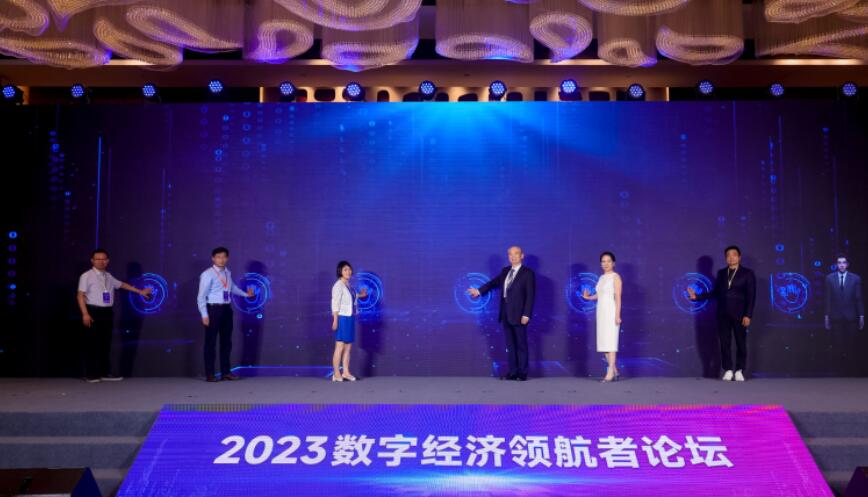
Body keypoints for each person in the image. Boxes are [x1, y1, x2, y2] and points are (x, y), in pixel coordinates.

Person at [77, 248, 152, 383]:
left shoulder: (108, 276)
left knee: (105, 343)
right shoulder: (86, 276)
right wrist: (85, 314)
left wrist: (140, 291)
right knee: (92, 343)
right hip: (93, 311)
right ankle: (91, 374)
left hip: (107, 312)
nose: (101, 261)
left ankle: (105, 373)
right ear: (92, 261)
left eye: (103, 259)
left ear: (108, 261)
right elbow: (80, 295)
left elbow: (122, 285)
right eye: (98, 259)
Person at [688, 245, 756, 382]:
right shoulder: (721, 273)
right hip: (722, 314)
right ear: (726, 258)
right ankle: (728, 370)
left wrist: (748, 315)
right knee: (724, 343)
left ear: (739, 257)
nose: (731, 258)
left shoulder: (747, 273)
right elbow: (716, 293)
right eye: (728, 255)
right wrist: (698, 297)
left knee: (741, 343)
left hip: (740, 314)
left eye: (734, 255)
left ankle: (739, 370)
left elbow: (751, 296)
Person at [468, 246, 536, 381]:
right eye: (510, 254)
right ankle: (513, 372)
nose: (513, 256)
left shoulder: (528, 273)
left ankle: (522, 373)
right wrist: (479, 291)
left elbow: (530, 295)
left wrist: (526, 314)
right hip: (505, 314)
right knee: (510, 346)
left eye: (516, 254)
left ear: (522, 256)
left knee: (521, 345)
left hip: (520, 315)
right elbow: (493, 283)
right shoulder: (505, 271)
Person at [197, 247, 254, 382]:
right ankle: (210, 374)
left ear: (227, 258)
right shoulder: (207, 274)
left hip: (227, 310)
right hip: (213, 310)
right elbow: (201, 297)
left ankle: (225, 372)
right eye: (218, 257)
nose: (221, 260)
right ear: (213, 258)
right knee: (210, 343)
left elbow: (232, 288)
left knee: (226, 342)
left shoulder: (227, 272)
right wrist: (204, 315)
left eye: (224, 257)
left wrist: (246, 295)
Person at [582, 252, 623, 382]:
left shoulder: (615, 277)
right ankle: (615, 371)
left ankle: (610, 372)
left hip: (611, 312)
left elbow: (618, 298)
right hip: (601, 313)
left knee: (611, 343)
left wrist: (617, 315)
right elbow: (600, 295)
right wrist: (588, 297)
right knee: (604, 343)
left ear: (613, 263)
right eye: (603, 261)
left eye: (608, 261)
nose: (606, 264)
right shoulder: (601, 278)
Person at [330, 261, 367, 382]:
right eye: (345, 269)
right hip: (342, 318)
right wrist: (335, 320)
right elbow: (335, 303)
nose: (348, 272)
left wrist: (361, 295)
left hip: (350, 317)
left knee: (348, 348)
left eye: (349, 269)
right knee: (339, 346)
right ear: (340, 271)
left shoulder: (348, 285)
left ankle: (345, 372)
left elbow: (352, 296)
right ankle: (336, 373)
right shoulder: (338, 285)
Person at [825, 255, 864, 335]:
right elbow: (828, 299)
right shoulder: (829, 278)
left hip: (851, 317)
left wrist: (861, 316)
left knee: (851, 341)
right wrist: (826, 316)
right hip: (836, 317)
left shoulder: (856, 278)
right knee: (837, 341)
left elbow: (858, 298)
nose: (842, 265)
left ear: (847, 264)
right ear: (836, 264)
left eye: (844, 262)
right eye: (839, 263)